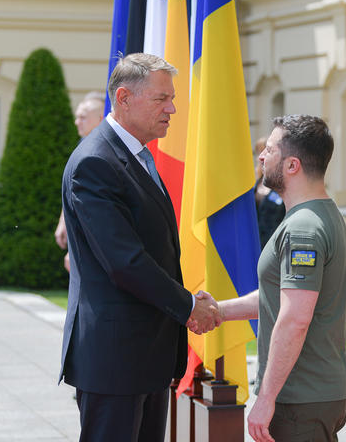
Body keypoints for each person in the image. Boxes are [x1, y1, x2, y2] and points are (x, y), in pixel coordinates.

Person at [59, 53, 221, 442]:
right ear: (124, 97)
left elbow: (155, 250)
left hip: (144, 355)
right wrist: (187, 306)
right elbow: (125, 262)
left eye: (173, 98)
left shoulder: (135, 156)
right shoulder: (95, 163)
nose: (173, 108)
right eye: (161, 99)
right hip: (115, 359)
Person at [215, 115, 346, 442]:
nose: (261, 156)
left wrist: (265, 398)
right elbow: (278, 295)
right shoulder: (318, 214)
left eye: (270, 151)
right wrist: (217, 311)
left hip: (299, 399)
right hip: (312, 394)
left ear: (292, 165)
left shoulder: (303, 228)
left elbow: (294, 319)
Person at [55, 92, 106, 271]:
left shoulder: (99, 154)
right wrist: (63, 222)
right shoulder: (84, 144)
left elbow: (92, 207)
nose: (77, 122)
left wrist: (77, 249)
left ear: (101, 119)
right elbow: (71, 189)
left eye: (83, 117)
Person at [253, 136, 286, 248]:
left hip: (275, 247)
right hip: (256, 246)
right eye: (258, 152)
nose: (261, 157)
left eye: (266, 151)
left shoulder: (282, 184)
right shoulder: (255, 185)